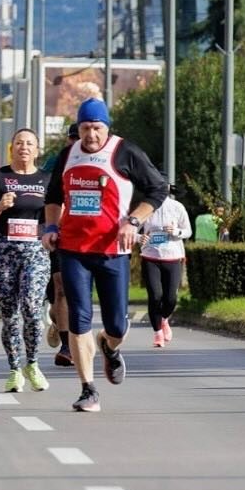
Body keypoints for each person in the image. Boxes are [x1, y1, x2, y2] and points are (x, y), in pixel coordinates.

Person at [42, 98, 168, 413]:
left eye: (97, 128)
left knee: (116, 325)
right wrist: (50, 227)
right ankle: (88, 389)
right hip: (73, 250)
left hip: (113, 250)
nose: (91, 135)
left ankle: (109, 347)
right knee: (79, 318)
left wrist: (134, 220)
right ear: (78, 128)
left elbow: (158, 188)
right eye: (85, 128)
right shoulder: (67, 155)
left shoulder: (125, 152)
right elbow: (54, 196)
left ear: (107, 128)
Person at [0, 128, 52, 394]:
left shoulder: (46, 179)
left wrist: (50, 231)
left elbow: (57, 215)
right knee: (9, 313)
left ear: (37, 149)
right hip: (4, 250)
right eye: (19, 143)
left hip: (35, 250)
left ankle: (32, 363)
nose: (24, 147)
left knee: (32, 307)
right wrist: (0, 206)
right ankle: (14, 369)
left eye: (29, 143)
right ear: (12, 148)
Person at [43, 123, 80, 367]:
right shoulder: (55, 163)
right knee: (58, 290)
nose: (78, 141)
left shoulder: (99, 161)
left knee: (69, 291)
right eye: (73, 138)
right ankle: (67, 345)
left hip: (83, 236)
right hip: (57, 234)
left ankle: (65, 332)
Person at [138, 184, 192, 348]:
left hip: (173, 256)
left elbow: (188, 231)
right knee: (155, 296)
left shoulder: (177, 207)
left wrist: (176, 231)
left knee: (170, 298)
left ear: (168, 189)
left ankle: (164, 319)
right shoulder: (145, 207)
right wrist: (138, 237)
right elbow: (133, 227)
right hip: (150, 256)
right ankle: (157, 333)